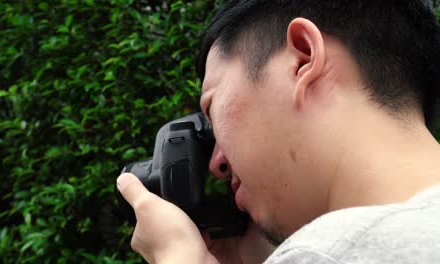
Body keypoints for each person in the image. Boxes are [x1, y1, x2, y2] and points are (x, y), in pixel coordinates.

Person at [116, 0, 440, 263]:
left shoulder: (329, 251)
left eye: (212, 109)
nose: (217, 163)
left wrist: (178, 257)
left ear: (302, 58)